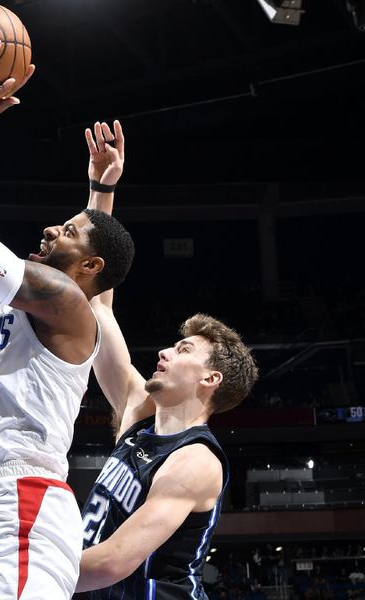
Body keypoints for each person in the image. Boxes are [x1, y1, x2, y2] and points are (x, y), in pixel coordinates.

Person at [0, 29, 135, 600]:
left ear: (87, 265)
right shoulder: (20, 305)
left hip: (21, 508)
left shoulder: (64, 301)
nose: (48, 230)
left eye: (66, 231)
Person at [74, 121, 259, 599]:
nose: (164, 351)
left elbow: (114, 561)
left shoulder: (195, 461)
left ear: (210, 378)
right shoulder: (138, 412)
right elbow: (95, 304)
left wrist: (19, 563)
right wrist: (102, 190)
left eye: (184, 350)